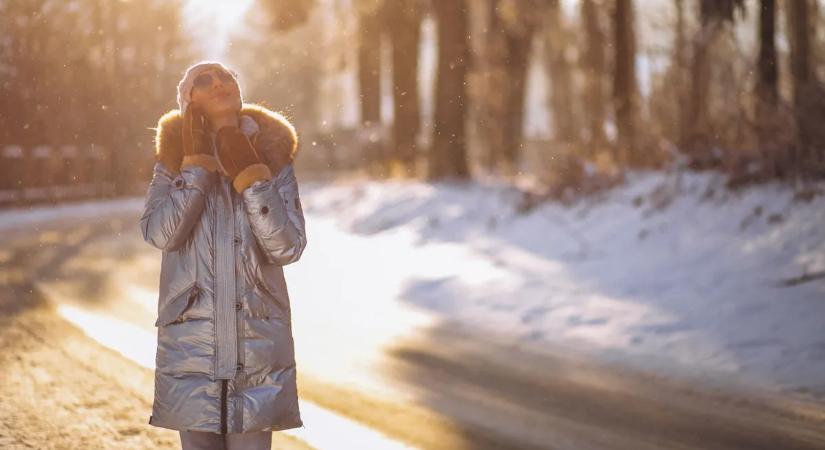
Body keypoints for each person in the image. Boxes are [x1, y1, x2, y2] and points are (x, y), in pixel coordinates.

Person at [139, 61, 307, 450]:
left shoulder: (272, 154)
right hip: (190, 346)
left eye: (226, 78)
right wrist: (195, 168)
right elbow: (160, 232)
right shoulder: (172, 159)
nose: (218, 84)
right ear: (188, 99)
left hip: (257, 340)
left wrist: (252, 175)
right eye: (204, 81)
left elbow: (288, 245)